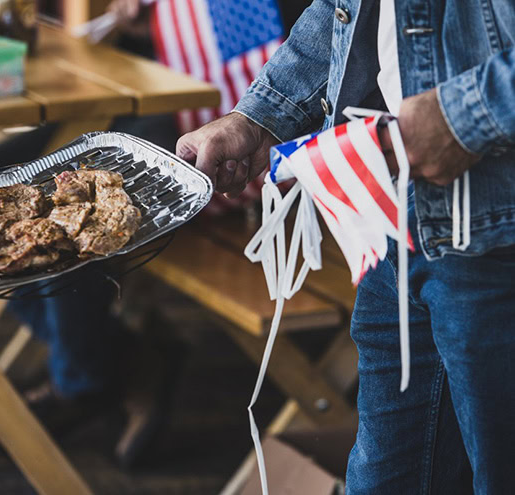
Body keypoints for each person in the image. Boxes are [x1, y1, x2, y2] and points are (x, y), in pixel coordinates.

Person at [176, 0, 515, 493]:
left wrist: (463, 118)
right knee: (383, 480)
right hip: (388, 216)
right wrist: (258, 117)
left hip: (499, 235)